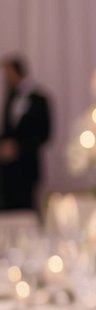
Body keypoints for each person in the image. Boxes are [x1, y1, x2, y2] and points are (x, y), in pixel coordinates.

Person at [0, 56, 52, 212]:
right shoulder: (10, 97)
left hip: (27, 166)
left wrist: (18, 147)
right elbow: (7, 129)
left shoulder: (40, 99)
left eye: (7, 73)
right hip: (8, 169)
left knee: (26, 208)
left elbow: (45, 135)